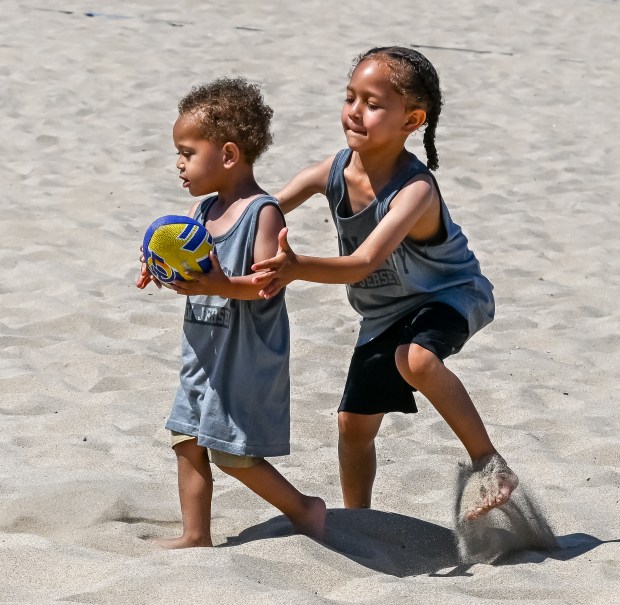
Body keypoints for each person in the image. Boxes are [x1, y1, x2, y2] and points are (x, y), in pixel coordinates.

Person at [251, 46, 518, 521]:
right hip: (384, 313)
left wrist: (295, 266)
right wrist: (201, 237)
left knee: (415, 359)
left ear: (412, 120)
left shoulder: (415, 190)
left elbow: (362, 262)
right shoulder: (330, 172)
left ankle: (489, 463)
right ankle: (361, 520)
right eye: (350, 96)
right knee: (353, 424)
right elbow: (259, 213)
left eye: (373, 104)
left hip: (450, 294)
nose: (355, 111)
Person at [136, 77, 326, 548]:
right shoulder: (201, 213)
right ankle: (195, 534)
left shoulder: (262, 213)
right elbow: (183, 259)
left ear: (227, 155)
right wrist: (157, 266)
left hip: (245, 355)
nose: (178, 165)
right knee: (185, 439)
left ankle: (305, 509)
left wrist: (222, 285)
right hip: (202, 349)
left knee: (231, 454)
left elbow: (267, 283)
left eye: (186, 152)